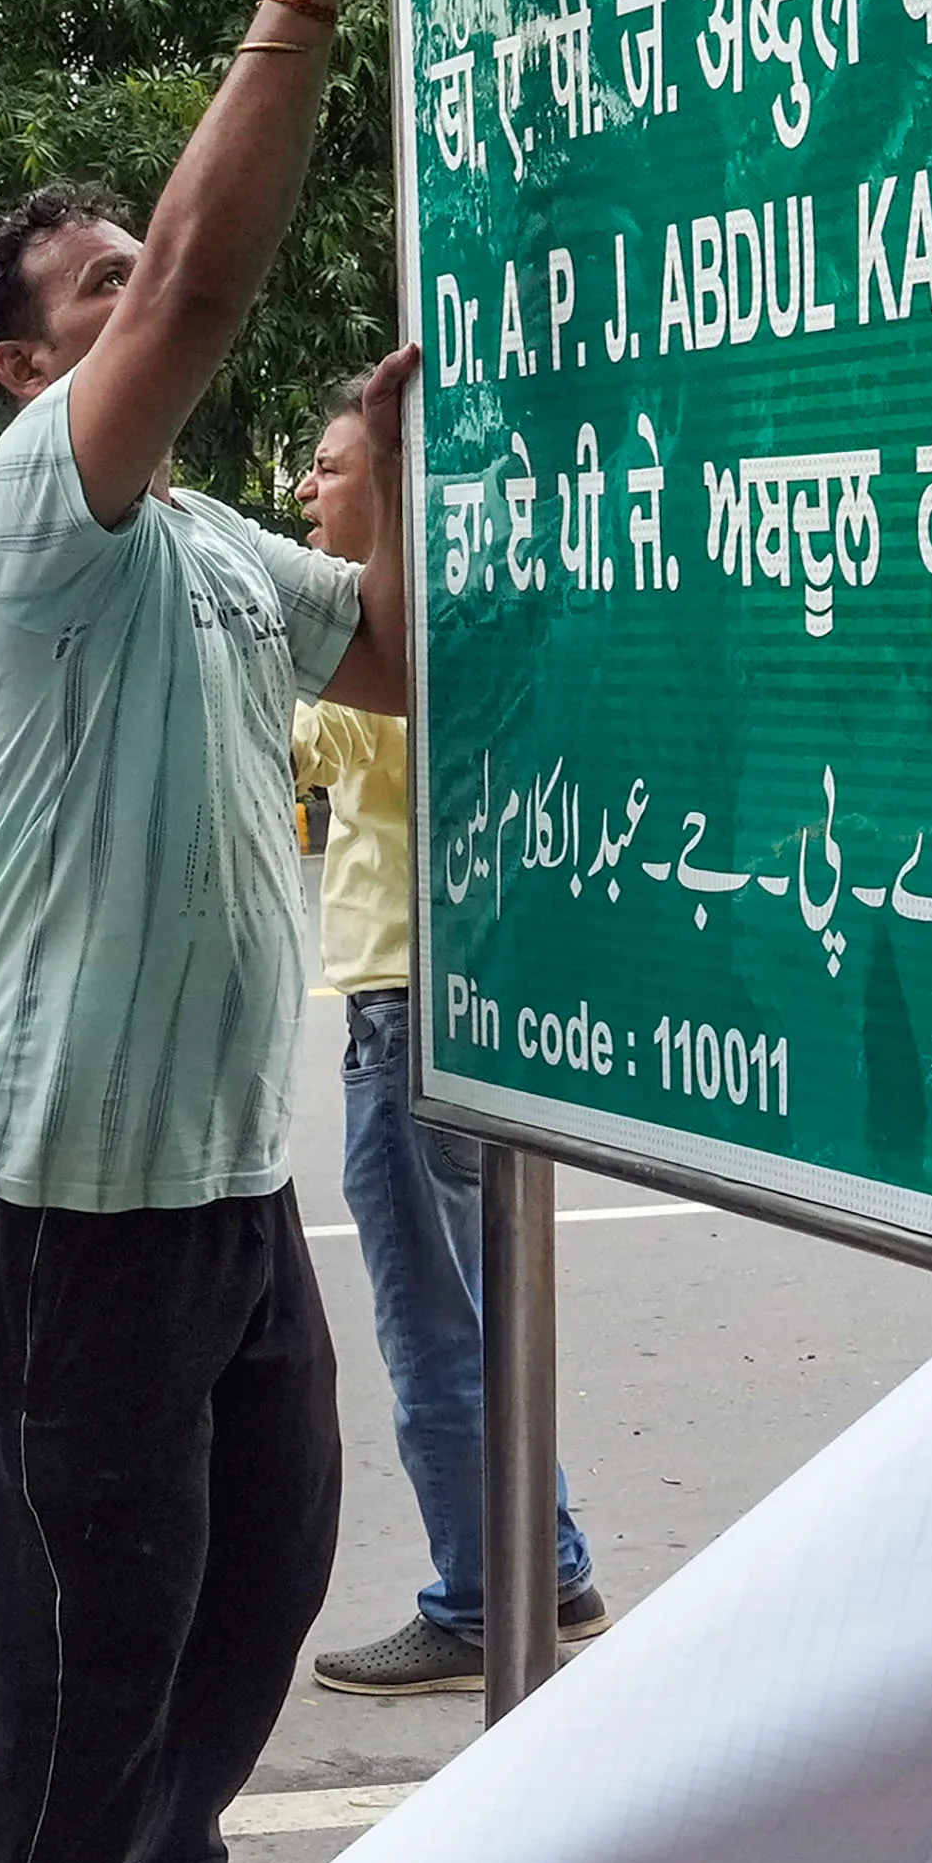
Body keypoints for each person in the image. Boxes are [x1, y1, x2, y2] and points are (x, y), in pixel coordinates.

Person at [0, 0, 421, 1863]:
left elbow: (402, 654)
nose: (144, 298)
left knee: (264, 1565)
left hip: (223, 1158)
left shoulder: (210, 547)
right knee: (93, 1595)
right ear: (33, 369)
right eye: (94, 289)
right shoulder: (43, 508)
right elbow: (218, 279)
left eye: (131, 269)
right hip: (60, 1172)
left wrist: (399, 464)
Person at [287, 371, 607, 1697]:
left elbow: (327, 753)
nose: (307, 490)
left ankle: (486, 1597)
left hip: (415, 1004)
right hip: (431, 995)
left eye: (332, 469)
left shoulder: (429, 635)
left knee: (434, 1319)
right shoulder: (440, 623)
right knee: (472, 1306)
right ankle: (551, 1561)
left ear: (403, 489)